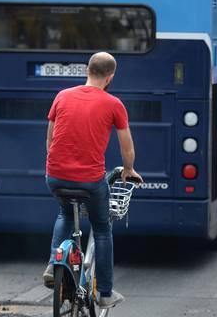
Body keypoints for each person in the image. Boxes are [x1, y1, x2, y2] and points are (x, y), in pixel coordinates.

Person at [43, 52, 142, 309]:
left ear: (87, 70)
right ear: (110, 78)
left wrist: (59, 166)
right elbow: (126, 146)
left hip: (54, 176)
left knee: (65, 214)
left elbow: (50, 141)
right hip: (89, 181)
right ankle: (105, 293)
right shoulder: (113, 104)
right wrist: (128, 169)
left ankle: (54, 267)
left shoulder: (61, 96)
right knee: (101, 228)